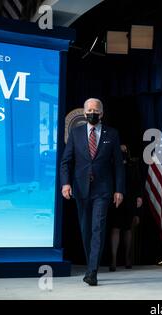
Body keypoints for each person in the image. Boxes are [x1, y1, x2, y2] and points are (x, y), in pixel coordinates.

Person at [60, 98, 124, 286]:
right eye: (88, 110)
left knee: (97, 228)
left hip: (102, 190)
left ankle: (92, 272)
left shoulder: (112, 134)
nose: (91, 113)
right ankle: (91, 266)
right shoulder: (76, 133)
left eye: (95, 110)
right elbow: (66, 162)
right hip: (80, 189)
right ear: (84, 113)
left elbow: (118, 166)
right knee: (86, 229)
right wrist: (66, 184)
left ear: (101, 113)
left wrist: (119, 190)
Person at [108, 144, 143, 271]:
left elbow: (138, 182)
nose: (123, 152)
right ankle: (113, 260)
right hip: (115, 199)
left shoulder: (132, 165)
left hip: (129, 199)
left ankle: (128, 258)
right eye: (120, 150)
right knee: (115, 228)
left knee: (128, 228)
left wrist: (139, 197)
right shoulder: (111, 164)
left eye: (125, 150)